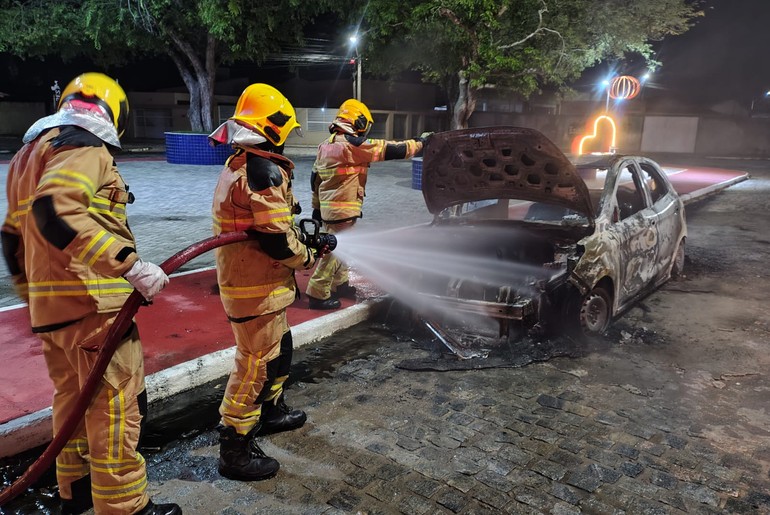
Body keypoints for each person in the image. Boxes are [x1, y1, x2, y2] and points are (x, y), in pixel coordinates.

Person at [0, 73, 180, 514]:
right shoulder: (85, 146)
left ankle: (76, 496)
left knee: (72, 405)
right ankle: (125, 508)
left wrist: (35, 298)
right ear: (113, 112)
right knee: (115, 411)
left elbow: (11, 236)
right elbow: (54, 209)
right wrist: (130, 265)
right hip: (93, 307)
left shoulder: (28, 154)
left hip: (53, 312)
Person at [208, 83, 329, 481]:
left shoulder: (242, 163)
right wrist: (310, 254)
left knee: (281, 351)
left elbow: (270, 227)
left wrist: (300, 239)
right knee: (255, 367)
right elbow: (277, 240)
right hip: (255, 290)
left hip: (260, 286)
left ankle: (272, 411)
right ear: (273, 126)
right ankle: (235, 449)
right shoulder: (262, 170)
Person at [306, 98, 430, 309]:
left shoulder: (326, 145)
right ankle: (317, 293)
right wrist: (420, 143)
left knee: (344, 246)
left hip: (330, 208)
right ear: (359, 121)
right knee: (335, 251)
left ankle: (340, 283)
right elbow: (388, 149)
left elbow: (314, 179)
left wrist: (316, 208)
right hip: (343, 208)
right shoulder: (351, 145)